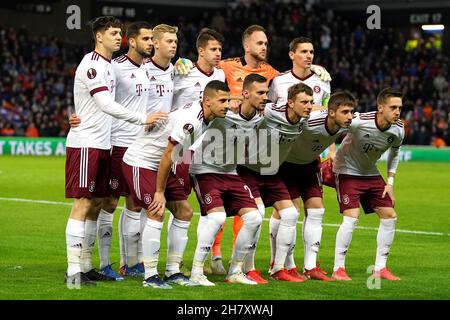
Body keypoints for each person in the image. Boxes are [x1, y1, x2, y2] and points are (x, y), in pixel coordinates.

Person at [64, 16, 155, 286]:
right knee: (82, 204)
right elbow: (104, 103)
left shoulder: (109, 66)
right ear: (99, 36)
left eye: (120, 33)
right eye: (113, 33)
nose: (119, 37)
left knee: (95, 205)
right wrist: (142, 119)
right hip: (85, 143)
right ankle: (72, 272)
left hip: (103, 143)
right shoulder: (91, 64)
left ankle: (86, 265)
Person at [150, 79, 263, 286]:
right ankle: (196, 272)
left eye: (267, 93)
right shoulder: (215, 111)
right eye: (261, 93)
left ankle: (235, 271)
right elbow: (200, 103)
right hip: (205, 170)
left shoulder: (262, 115)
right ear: (246, 94)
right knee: (217, 218)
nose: (266, 97)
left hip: (231, 172)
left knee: (255, 218)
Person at [122, 80, 230, 288]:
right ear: (207, 101)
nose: (226, 105)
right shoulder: (192, 121)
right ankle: (151, 276)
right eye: (222, 100)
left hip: (161, 164)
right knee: (156, 210)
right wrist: (160, 191)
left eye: (228, 100)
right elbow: (168, 155)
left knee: (184, 211)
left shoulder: (207, 117)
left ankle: (173, 271)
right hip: (141, 161)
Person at [272, 91, 356, 281]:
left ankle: (310, 266)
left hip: (309, 166)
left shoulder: (349, 121)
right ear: (331, 112)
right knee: (290, 213)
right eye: (345, 112)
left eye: (352, 112)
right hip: (286, 164)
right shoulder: (308, 122)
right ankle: (284, 265)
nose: (350, 117)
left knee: (317, 211)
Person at [236, 81, 314, 282]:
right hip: (248, 169)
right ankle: (248, 267)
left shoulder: (303, 121)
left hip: (272, 172)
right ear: (290, 103)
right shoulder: (270, 111)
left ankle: (278, 268)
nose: (309, 106)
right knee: (258, 214)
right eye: (304, 102)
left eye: (311, 102)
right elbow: (247, 107)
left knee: (289, 213)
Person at [332, 87, 404, 281]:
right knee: (352, 217)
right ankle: (338, 268)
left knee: (390, 216)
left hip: (370, 172)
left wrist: (390, 182)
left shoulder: (398, 129)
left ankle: (380, 268)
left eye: (400, 108)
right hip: (346, 170)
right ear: (381, 108)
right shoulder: (358, 121)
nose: (397, 112)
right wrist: (329, 153)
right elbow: (332, 126)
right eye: (393, 107)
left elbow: (395, 153)